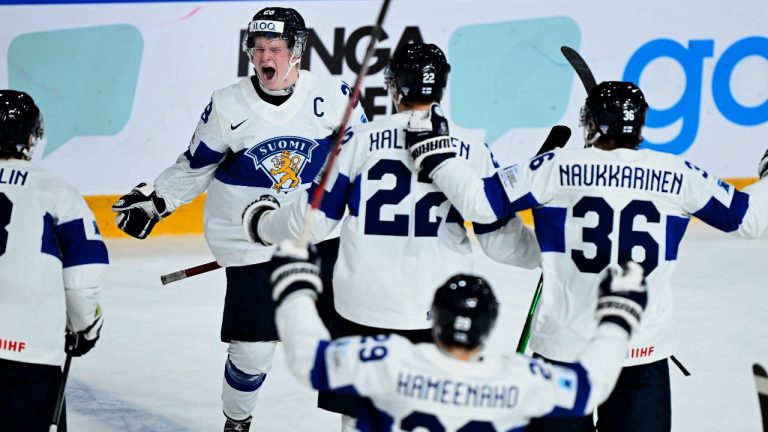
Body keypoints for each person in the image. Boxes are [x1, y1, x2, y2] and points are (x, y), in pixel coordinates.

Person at [405, 81, 768, 431]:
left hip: (563, 351)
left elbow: (480, 206)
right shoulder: (680, 173)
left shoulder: (555, 165)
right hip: (640, 353)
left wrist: (437, 156)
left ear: (590, 124)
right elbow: (750, 220)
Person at [242, 42, 540, 431]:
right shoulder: (472, 149)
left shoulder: (357, 141)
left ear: (393, 87)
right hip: (439, 311)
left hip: (362, 305)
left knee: (359, 416)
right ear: (441, 88)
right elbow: (500, 241)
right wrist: (549, 254)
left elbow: (312, 224)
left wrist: (262, 224)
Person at [110, 7, 367, 431]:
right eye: (259, 47)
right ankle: (237, 421)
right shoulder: (229, 104)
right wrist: (157, 200)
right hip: (251, 244)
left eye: (276, 48)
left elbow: (362, 160)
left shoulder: (335, 95)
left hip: (321, 236)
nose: (266, 57)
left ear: (296, 52)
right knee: (253, 353)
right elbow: (197, 166)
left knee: (352, 335)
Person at [267, 240, 648, 431]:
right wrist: (619, 316)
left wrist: (294, 288)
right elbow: (588, 387)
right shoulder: (517, 379)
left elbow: (310, 361)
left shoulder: (388, 359)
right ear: (489, 327)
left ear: (435, 320)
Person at [0, 90, 108, 431]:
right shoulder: (57, 193)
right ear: (30, 138)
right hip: (28, 353)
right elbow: (83, 275)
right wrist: (85, 327)